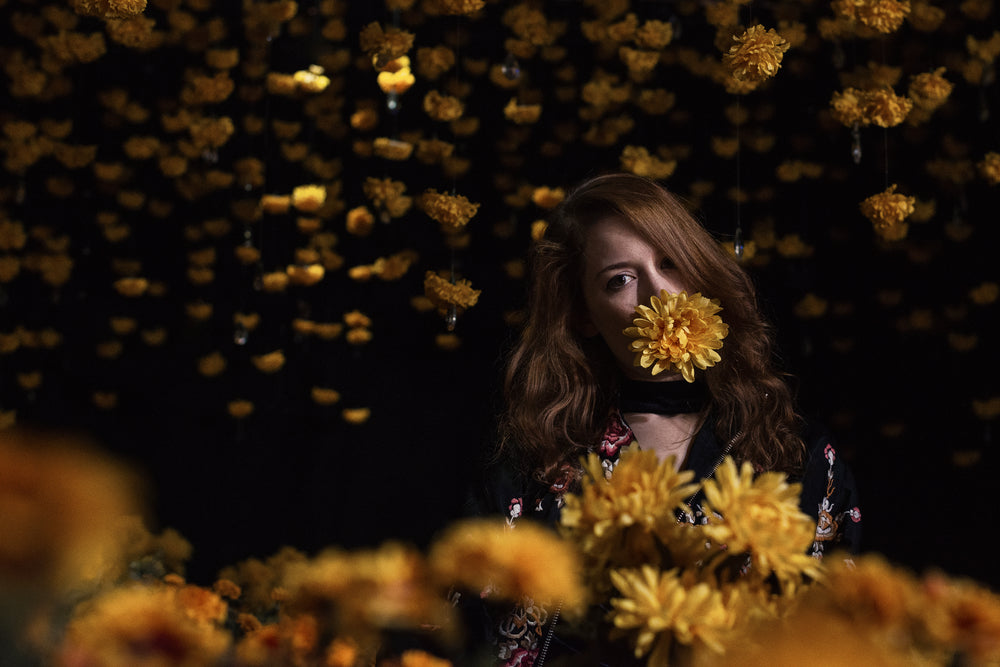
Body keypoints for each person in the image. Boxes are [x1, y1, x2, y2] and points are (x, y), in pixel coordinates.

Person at [469, 172, 862, 666]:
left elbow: (840, 631)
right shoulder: (534, 468)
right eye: (621, 280)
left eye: (672, 263)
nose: (662, 294)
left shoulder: (796, 455)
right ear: (585, 314)